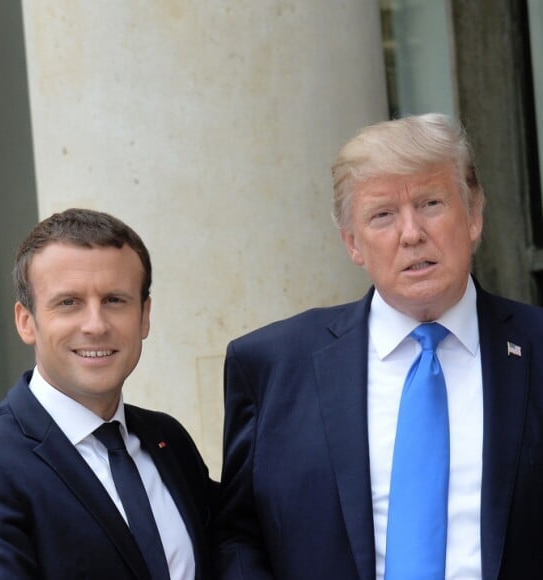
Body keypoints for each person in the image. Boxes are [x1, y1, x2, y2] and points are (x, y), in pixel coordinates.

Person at [216, 114, 543, 579]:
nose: (411, 234)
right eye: (382, 215)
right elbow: (239, 536)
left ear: (473, 216)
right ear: (352, 242)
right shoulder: (271, 365)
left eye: (431, 203)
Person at [0, 208, 217, 579]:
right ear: (25, 321)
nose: (96, 326)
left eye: (115, 300)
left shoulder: (169, 440)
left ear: (144, 316)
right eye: (68, 302)